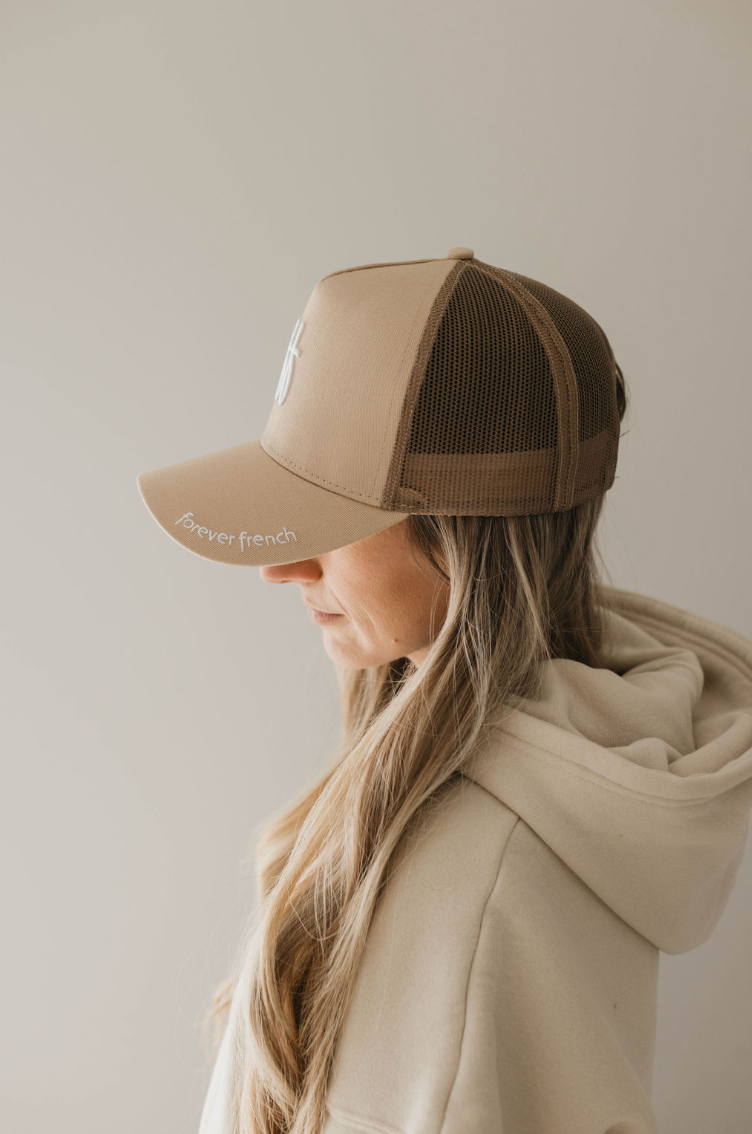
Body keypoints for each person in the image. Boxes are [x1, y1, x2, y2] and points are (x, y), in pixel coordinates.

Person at [136, 247, 752, 1134]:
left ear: (466, 542)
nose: (282, 566)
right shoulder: (595, 760)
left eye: (333, 514)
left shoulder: (448, 883)